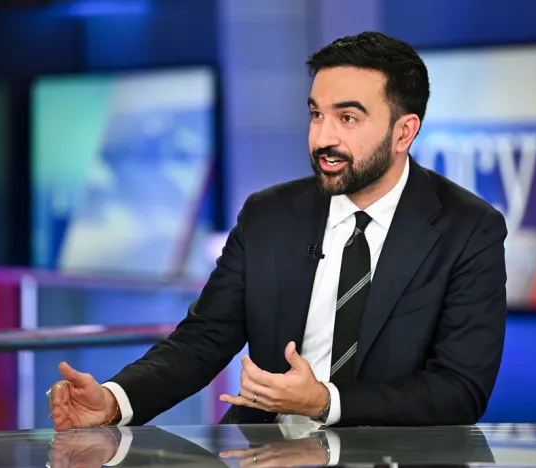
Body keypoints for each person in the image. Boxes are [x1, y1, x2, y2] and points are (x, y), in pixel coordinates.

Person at [48, 31, 508, 431]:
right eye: (316, 114)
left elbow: (460, 390)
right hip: (260, 451)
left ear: (404, 132)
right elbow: (202, 339)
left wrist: (326, 402)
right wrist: (114, 401)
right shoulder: (268, 215)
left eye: (347, 118)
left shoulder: (468, 229)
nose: (322, 138)